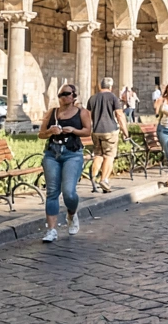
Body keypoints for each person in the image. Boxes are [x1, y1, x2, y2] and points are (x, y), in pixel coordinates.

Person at [37, 84, 92, 242]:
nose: (63, 97)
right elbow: (41, 134)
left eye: (66, 94)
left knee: (68, 192)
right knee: (52, 192)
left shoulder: (82, 112)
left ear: (74, 95)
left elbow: (88, 131)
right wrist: (49, 132)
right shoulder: (52, 113)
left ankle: (72, 213)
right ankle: (51, 230)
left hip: (72, 154)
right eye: (60, 94)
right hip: (52, 154)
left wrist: (73, 130)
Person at [86, 76, 126, 193]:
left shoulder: (92, 98)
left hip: (96, 131)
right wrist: (125, 131)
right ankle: (104, 180)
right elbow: (119, 114)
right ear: (111, 87)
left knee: (98, 155)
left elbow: (87, 116)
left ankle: (93, 179)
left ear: (100, 86)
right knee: (109, 156)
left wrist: (89, 130)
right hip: (110, 130)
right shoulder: (113, 97)